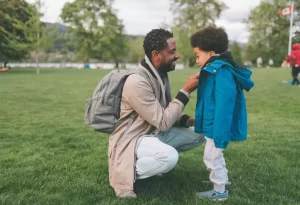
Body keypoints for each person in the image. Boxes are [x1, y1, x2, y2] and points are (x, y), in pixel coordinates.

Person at [108, 29, 206, 198]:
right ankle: (123, 169)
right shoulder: (136, 81)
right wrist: (186, 91)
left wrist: (189, 121)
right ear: (156, 55)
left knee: (201, 132)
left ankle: (150, 161)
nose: (177, 56)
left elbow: (166, 110)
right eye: (172, 52)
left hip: (152, 132)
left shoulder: (160, 74)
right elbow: (163, 121)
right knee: (169, 158)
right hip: (133, 138)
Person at [190, 26, 254, 200]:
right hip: (213, 123)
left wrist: (220, 131)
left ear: (211, 54)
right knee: (215, 155)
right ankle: (222, 182)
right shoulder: (214, 70)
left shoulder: (220, 72)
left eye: (197, 55)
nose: (196, 60)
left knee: (211, 157)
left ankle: (220, 192)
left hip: (217, 125)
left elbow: (225, 105)